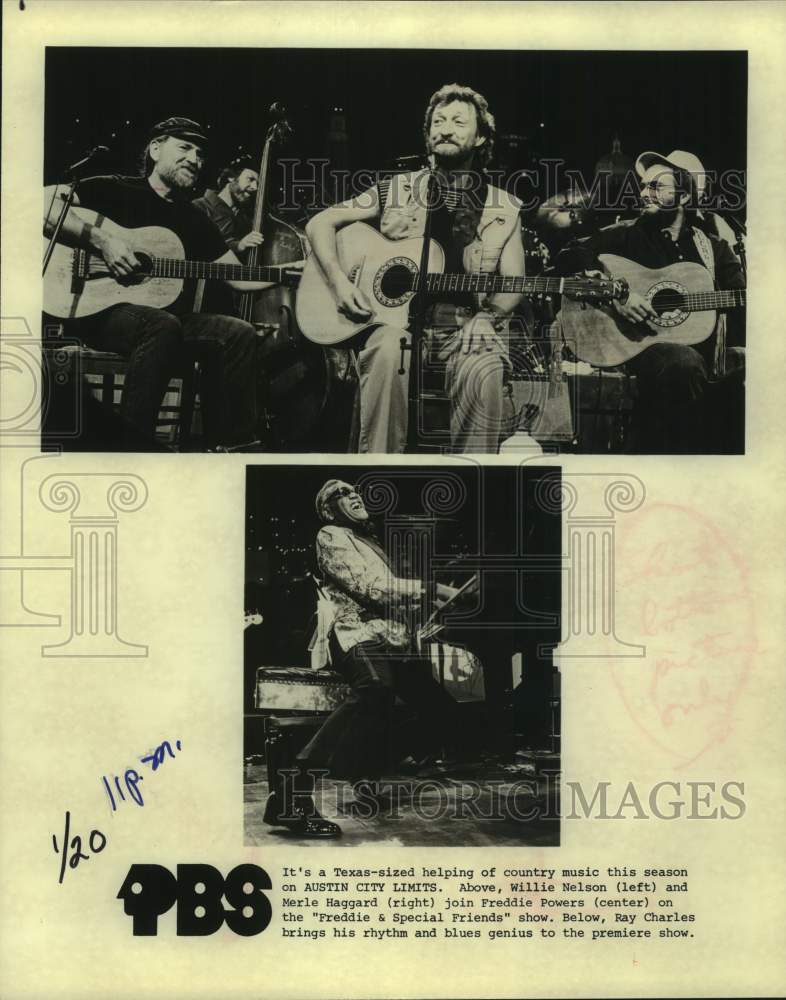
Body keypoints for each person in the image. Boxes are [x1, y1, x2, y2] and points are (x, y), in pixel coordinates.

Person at [305, 83, 527, 454]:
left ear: (480, 138)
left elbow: (515, 281)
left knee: (483, 365)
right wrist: (341, 283)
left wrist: (488, 316)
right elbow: (320, 223)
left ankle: (472, 487)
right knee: (388, 349)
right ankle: (378, 480)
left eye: (458, 121)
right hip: (393, 323)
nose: (445, 128)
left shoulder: (504, 206)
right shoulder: (395, 189)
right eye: (437, 122)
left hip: (464, 325)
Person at [44, 117, 276, 450]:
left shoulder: (196, 220)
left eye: (200, 154)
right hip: (97, 310)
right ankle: (132, 447)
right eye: (184, 147)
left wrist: (289, 273)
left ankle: (226, 447)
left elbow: (239, 279)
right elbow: (43, 206)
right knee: (162, 326)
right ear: (155, 149)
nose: (194, 158)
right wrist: (103, 241)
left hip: (163, 319)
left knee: (238, 332)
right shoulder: (113, 188)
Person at [263, 479, 464, 838]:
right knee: (374, 686)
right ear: (327, 508)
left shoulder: (366, 541)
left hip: (391, 637)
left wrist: (428, 602)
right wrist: (430, 589)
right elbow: (371, 586)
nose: (353, 494)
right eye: (341, 493)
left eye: (354, 489)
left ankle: (360, 765)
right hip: (356, 634)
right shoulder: (331, 534)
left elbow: (386, 593)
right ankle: (291, 796)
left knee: (440, 710)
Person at [554, 149, 745, 453]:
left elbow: (743, 300)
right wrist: (618, 293)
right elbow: (569, 255)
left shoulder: (714, 249)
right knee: (682, 364)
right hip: (639, 348)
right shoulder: (627, 234)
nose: (644, 193)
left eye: (656, 186)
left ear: (683, 197)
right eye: (644, 185)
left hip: (703, 358)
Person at [192, 156, 264, 260]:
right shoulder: (199, 207)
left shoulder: (246, 218)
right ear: (231, 177)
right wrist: (239, 245)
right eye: (250, 179)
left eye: (257, 183)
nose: (255, 187)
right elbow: (201, 248)